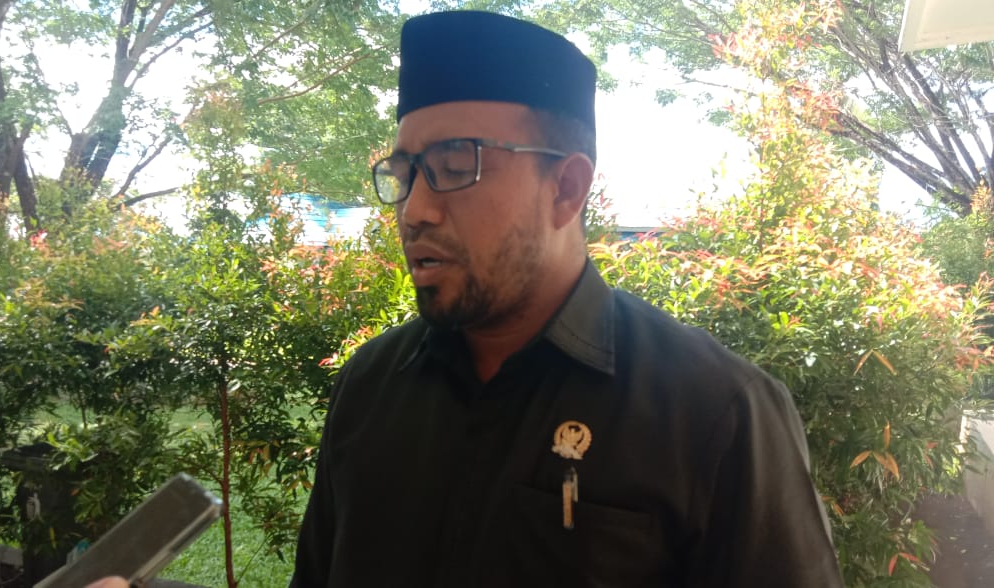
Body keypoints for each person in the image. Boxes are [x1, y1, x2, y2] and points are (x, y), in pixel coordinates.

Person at [290, 9, 843, 587]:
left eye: (454, 167)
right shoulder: (370, 386)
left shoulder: (713, 412)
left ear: (566, 188)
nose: (415, 210)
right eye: (406, 174)